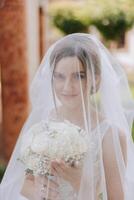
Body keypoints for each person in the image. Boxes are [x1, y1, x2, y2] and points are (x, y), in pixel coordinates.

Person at [0, 33, 134, 200]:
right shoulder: (43, 123)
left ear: (95, 79)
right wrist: (38, 191)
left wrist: (81, 184)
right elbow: (24, 182)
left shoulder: (110, 136)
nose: (67, 86)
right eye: (59, 76)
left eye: (78, 76)